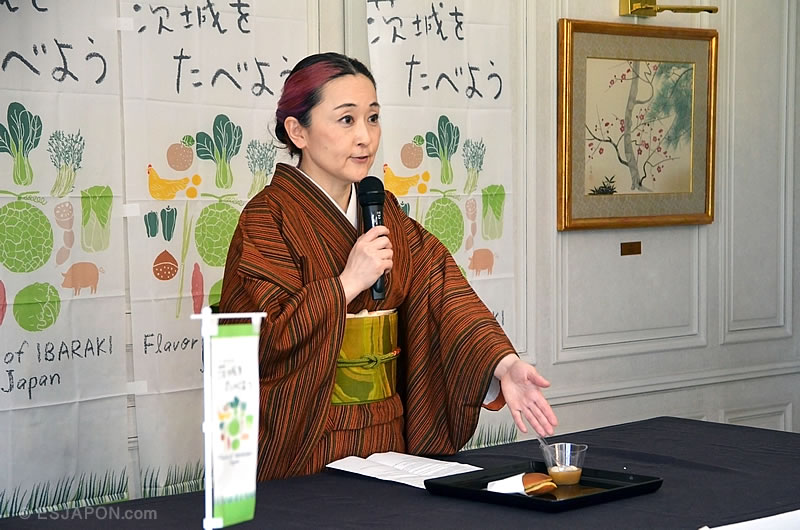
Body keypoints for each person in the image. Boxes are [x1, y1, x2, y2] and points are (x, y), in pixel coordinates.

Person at [220, 52, 558, 481]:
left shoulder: (382, 211)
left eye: (373, 118)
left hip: (387, 430)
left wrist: (502, 364)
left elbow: (443, 291)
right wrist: (346, 284)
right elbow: (257, 342)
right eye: (346, 120)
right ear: (297, 131)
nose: (365, 137)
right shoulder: (265, 220)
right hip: (309, 437)